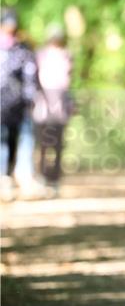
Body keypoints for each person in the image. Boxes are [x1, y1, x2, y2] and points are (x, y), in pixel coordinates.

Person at [0, 6, 39, 200]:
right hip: (2, 105)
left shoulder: (22, 49)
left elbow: (30, 75)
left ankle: (18, 176)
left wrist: (31, 98)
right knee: (2, 142)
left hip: (18, 106)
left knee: (18, 141)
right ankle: (3, 178)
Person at [33, 24, 74, 193]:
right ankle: (42, 177)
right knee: (43, 144)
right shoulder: (40, 55)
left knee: (57, 145)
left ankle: (54, 179)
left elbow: (68, 82)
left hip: (60, 107)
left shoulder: (67, 56)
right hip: (42, 106)